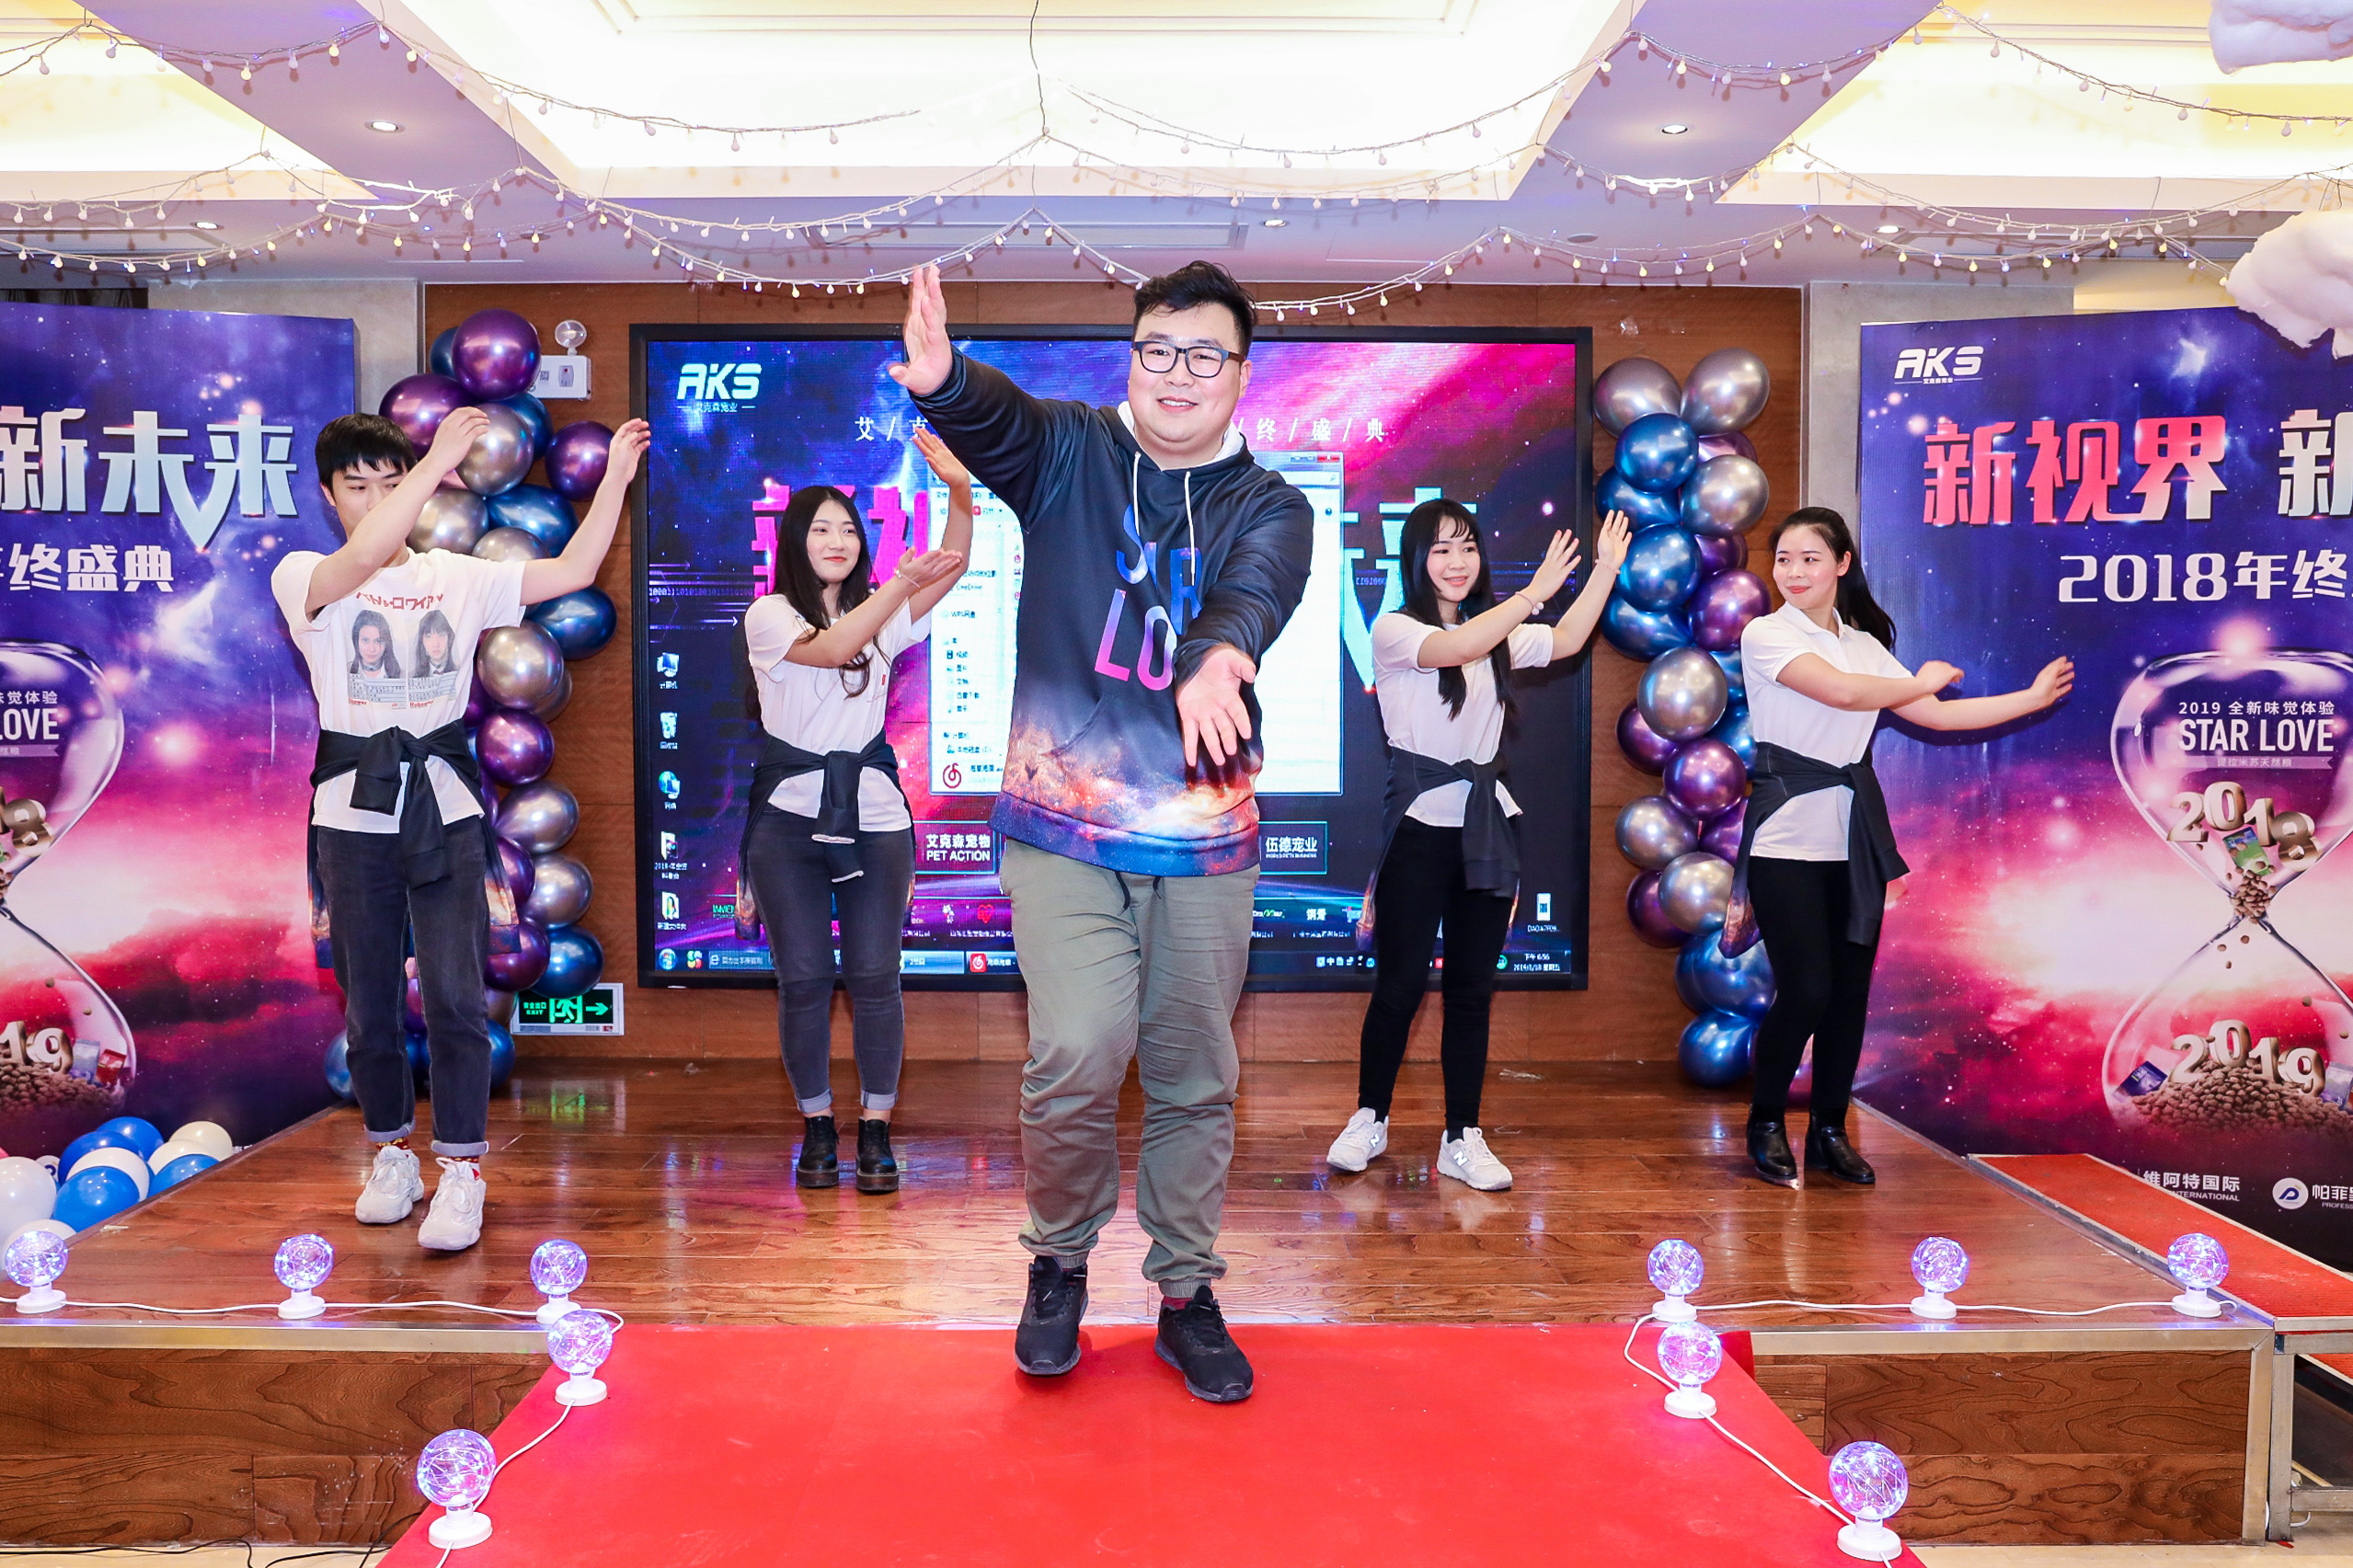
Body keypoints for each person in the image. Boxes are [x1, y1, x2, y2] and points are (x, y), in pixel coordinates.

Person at [891, 259, 1313, 1403]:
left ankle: (1184, 1292)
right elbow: (1003, 422)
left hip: (1202, 833)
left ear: (1239, 373)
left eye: (1204, 355)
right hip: (1060, 824)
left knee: (1192, 1073)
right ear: (1131, 358)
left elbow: (1254, 592)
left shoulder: (1271, 503)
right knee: (1076, 1051)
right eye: (1157, 350)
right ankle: (1059, 1261)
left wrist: (1216, 658)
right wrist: (946, 382)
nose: (1178, 374)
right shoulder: (1073, 453)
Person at [273, 408, 649, 1250]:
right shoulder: (304, 573)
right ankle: (390, 1155)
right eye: (358, 487)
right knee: (370, 1005)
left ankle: (462, 1170)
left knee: (453, 996)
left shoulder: (455, 575)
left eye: (390, 481)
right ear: (329, 496)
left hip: (444, 811)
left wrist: (617, 479)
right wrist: (435, 459)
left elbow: (575, 569)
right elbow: (364, 557)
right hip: (351, 816)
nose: (378, 500)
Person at [1729, 507, 2072, 1186]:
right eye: (1784, 559)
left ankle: (1829, 1130)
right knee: (1807, 989)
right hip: (1786, 838)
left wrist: (2031, 699)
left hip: (1853, 842)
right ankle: (1765, 1121)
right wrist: (1918, 680)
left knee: (1848, 996)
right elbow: (1842, 693)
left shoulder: (1862, 643)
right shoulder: (1766, 632)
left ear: (1842, 564)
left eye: (1810, 558)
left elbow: (1935, 715)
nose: (1794, 572)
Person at [1326, 502, 1632, 1191]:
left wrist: (1605, 571)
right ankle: (1369, 1117)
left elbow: (1567, 640)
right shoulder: (1396, 630)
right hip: (1416, 831)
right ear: (1415, 560)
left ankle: (1461, 1135)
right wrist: (1531, 595)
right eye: (1441, 550)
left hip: (1487, 827)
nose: (1457, 562)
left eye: (1466, 547)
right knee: (1400, 985)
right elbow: (1457, 648)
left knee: (1471, 990)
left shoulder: (1496, 634)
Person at [739, 428, 972, 1195]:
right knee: (804, 979)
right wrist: (897, 586)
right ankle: (816, 1126)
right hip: (787, 823)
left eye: (848, 528)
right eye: (821, 528)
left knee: (875, 975)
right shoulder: (770, 614)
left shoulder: (882, 612)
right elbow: (836, 647)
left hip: (875, 819)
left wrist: (960, 492)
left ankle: (875, 1127)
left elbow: (953, 564)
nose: (838, 540)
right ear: (793, 541)